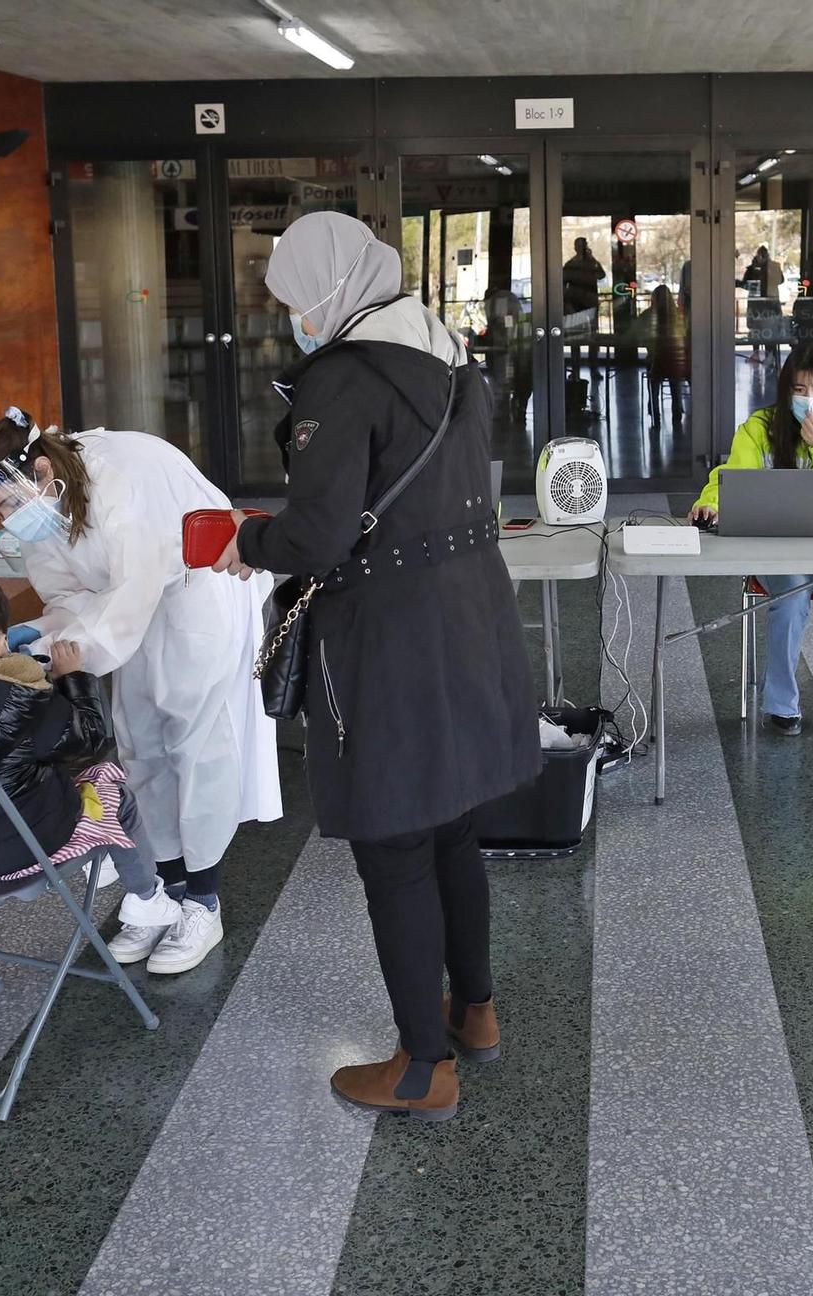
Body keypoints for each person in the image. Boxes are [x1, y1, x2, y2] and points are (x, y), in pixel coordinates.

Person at [213, 212, 539, 1122]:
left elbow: (317, 536)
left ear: (329, 290)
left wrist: (249, 540)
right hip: (472, 620)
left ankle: (419, 1067)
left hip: (394, 641)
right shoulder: (446, 355)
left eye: (293, 303)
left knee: (395, 844)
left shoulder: (345, 379)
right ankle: (474, 1011)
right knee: (451, 830)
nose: (292, 322)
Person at [0, 408, 282, 976]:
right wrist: (46, 633)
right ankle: (165, 894)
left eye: (6, 506)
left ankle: (204, 903)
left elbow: (134, 589)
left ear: (37, 469)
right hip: (132, 611)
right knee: (141, 747)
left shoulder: (116, 481)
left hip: (196, 594)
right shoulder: (42, 500)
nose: (6, 522)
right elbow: (70, 596)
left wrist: (69, 658)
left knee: (198, 748)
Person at [0, 577, 169, 931]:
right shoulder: (20, 701)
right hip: (26, 846)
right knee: (115, 793)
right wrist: (71, 678)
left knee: (35, 767)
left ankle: (101, 865)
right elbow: (91, 739)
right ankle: (146, 899)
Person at [688, 342, 813, 735]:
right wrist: (709, 504)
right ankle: (781, 705)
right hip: (778, 543)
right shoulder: (760, 427)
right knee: (790, 597)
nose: (808, 398)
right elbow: (731, 477)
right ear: (785, 390)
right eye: (799, 389)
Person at [562, 237, 604, 384]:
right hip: (576, 306)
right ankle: (576, 370)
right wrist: (567, 304)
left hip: (589, 305)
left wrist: (593, 259)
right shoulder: (570, 265)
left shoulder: (590, 263)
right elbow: (562, 285)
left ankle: (593, 368)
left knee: (592, 339)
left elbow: (601, 275)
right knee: (576, 340)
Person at [647, 283, 688, 431]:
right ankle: (677, 413)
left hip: (658, 362)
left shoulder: (650, 315)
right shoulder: (679, 316)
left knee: (653, 381)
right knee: (675, 382)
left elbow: (641, 336)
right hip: (677, 363)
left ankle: (654, 412)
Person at [743, 245, 785, 364]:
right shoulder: (774, 267)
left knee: (762, 330)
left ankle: (764, 354)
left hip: (763, 303)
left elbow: (746, 283)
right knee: (763, 330)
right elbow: (781, 280)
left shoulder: (756, 269)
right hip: (769, 302)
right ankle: (767, 355)